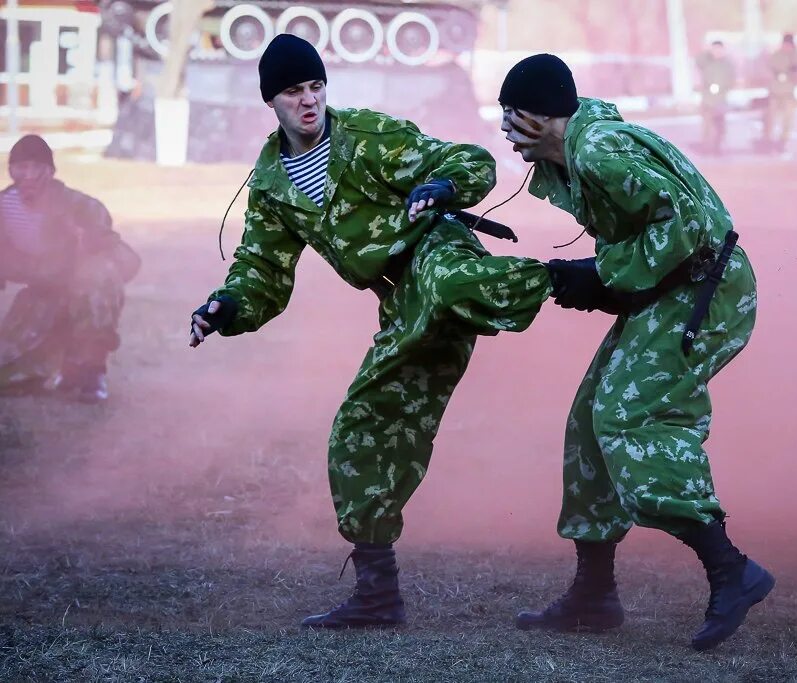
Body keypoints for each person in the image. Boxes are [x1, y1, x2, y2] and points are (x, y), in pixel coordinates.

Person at [188, 34, 552, 629]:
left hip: (437, 253)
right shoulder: (272, 187)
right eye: (292, 92)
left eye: (314, 86)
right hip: (399, 303)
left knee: (449, 284)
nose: (307, 101)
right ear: (271, 102)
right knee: (359, 429)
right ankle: (378, 594)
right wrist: (225, 307)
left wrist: (440, 188)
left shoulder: (368, 137)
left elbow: (469, 159)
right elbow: (261, 271)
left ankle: (576, 282)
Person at [497, 53, 773, 652]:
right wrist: (599, 277)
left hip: (707, 291)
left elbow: (690, 223)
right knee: (590, 419)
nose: (505, 131)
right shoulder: (583, 150)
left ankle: (731, 569)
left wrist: (602, 275)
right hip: (678, 287)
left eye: (512, 116)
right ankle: (594, 595)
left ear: (542, 118)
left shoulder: (598, 150)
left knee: (628, 414)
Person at [0, 134, 140, 401]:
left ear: (50, 172)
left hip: (82, 289)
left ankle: (90, 373)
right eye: (20, 168)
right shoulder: (3, 209)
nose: (27, 176)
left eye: (35, 168)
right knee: (7, 371)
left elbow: (114, 253)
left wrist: (82, 240)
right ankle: (51, 369)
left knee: (96, 276)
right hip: (42, 294)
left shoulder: (80, 205)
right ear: (11, 171)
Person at [761, 33, 797, 153]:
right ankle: (767, 140)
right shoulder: (776, 55)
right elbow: (770, 69)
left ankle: (783, 142)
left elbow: (796, 69)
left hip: (788, 93)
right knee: (770, 118)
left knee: (787, 120)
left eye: (789, 44)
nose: (787, 46)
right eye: (785, 44)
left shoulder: (796, 55)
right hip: (775, 92)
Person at [695, 41, 736, 155]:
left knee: (720, 127)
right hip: (708, 100)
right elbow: (698, 61)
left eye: (719, 50)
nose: (717, 52)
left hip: (721, 99)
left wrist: (725, 88)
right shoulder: (706, 61)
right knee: (707, 127)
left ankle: (717, 148)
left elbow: (731, 79)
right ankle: (706, 149)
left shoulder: (727, 64)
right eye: (714, 50)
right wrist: (707, 51)